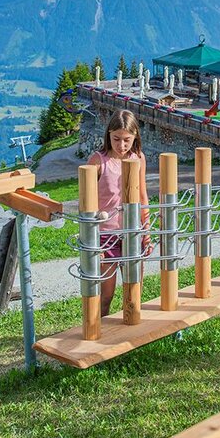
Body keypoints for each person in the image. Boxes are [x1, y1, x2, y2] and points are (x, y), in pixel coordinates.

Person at [87, 110, 150, 316]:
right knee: (106, 294)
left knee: (133, 293)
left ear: (135, 137)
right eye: (116, 139)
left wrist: (146, 233)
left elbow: (142, 196)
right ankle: (99, 328)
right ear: (109, 134)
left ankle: (130, 329)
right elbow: (87, 204)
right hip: (106, 235)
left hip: (132, 232)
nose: (121, 145)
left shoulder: (138, 158)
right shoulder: (98, 161)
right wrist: (94, 241)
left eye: (126, 140)